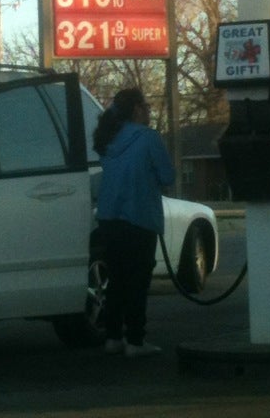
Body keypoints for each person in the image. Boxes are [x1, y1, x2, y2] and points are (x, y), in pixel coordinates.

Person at [93, 87, 175, 358]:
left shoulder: (108, 139)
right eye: (147, 106)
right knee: (138, 282)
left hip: (108, 218)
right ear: (137, 109)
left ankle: (113, 337)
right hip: (140, 217)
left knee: (116, 280)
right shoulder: (149, 138)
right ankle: (136, 341)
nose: (150, 111)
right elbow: (167, 176)